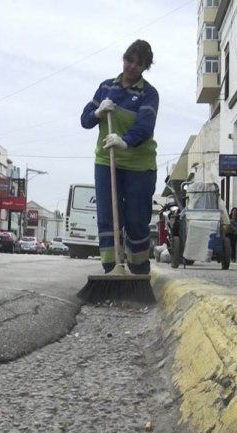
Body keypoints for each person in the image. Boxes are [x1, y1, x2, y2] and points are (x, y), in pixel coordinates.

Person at [80, 39, 159, 275]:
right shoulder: (106, 88)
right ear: (123, 59)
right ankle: (111, 269)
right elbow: (85, 120)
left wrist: (125, 141)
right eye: (129, 60)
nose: (132, 66)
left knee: (136, 218)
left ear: (145, 67)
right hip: (107, 161)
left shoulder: (149, 94)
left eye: (139, 63)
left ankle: (138, 269)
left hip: (139, 165)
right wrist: (97, 111)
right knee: (108, 216)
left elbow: (145, 126)